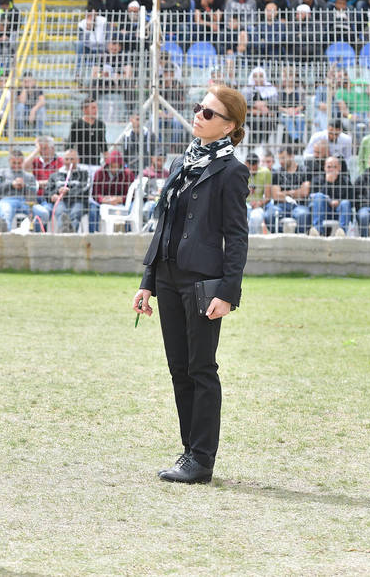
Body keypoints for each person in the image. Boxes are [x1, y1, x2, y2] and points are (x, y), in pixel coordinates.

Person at [133, 86, 249, 484]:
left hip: (203, 283)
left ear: (230, 126)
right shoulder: (182, 161)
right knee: (178, 368)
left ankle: (202, 458)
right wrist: (147, 280)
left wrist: (227, 293)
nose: (199, 115)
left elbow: (236, 237)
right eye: (199, 108)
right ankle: (189, 453)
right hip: (166, 276)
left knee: (202, 368)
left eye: (210, 113)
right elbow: (164, 223)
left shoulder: (232, 171)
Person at [31, 148, 91, 233]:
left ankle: (71, 236)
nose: (69, 161)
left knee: (75, 213)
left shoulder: (84, 174)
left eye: (72, 159)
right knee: (61, 213)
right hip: (61, 201)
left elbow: (85, 189)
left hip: (78, 201)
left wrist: (68, 192)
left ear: (78, 160)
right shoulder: (55, 175)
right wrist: (54, 194)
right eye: (67, 159)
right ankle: (65, 234)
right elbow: (47, 191)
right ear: (63, 160)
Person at [265, 145, 311, 233]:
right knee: (269, 215)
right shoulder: (277, 173)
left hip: (299, 205)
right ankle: (280, 239)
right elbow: (275, 196)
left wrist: (284, 193)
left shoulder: (304, 170)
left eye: (283, 158)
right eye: (279, 159)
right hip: (280, 206)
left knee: (303, 215)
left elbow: (304, 193)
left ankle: (298, 241)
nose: (281, 161)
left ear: (292, 156)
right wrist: (294, 192)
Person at [0, 148, 37, 231]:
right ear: (9, 161)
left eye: (19, 163)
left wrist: (24, 186)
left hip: (26, 202)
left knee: (42, 213)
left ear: (23, 162)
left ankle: (38, 237)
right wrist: (11, 184)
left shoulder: (29, 176)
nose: (16, 165)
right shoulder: (2, 173)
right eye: (14, 163)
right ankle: (6, 236)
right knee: (6, 213)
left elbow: (34, 193)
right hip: (6, 200)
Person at [309, 156, 354, 236]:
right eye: (329, 167)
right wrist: (328, 183)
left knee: (345, 203)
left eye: (335, 167)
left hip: (339, 211)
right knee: (319, 196)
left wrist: (338, 201)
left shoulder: (345, 181)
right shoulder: (317, 179)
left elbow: (352, 199)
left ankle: (341, 232)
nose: (331, 170)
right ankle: (318, 231)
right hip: (323, 210)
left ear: (339, 168)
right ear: (324, 168)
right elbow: (313, 197)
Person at [68, 97, 107, 165]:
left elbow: (104, 146)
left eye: (96, 107)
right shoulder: (76, 125)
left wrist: (107, 163)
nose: (96, 110)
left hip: (96, 164)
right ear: (84, 110)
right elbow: (70, 145)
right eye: (93, 108)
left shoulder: (101, 124)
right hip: (81, 164)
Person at [245, 152, 271, 234]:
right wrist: (246, 192)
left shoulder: (265, 172)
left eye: (254, 169)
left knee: (256, 218)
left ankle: (253, 243)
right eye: (250, 169)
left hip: (258, 206)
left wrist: (258, 203)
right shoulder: (239, 172)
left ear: (258, 164)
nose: (252, 171)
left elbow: (268, 197)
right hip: (243, 205)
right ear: (246, 164)